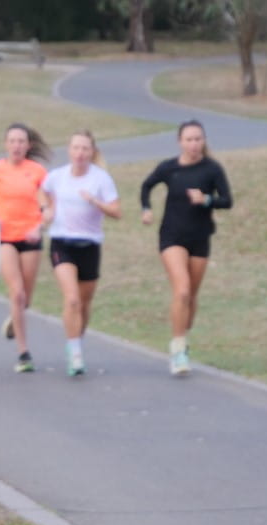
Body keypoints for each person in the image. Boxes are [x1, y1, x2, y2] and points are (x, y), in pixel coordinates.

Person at [140, 120, 233, 376]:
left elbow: (227, 201)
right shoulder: (169, 168)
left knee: (191, 296)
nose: (193, 144)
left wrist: (206, 200)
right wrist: (146, 209)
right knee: (181, 291)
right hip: (171, 237)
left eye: (198, 139)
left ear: (203, 141)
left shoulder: (212, 169)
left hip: (200, 238)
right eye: (189, 139)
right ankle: (178, 350)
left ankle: (183, 336)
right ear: (180, 142)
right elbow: (147, 185)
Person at [42, 130, 121, 377]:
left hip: (89, 245)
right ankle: (75, 353)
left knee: (84, 304)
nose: (80, 153)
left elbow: (117, 211)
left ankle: (76, 342)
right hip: (61, 243)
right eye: (76, 148)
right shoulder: (57, 177)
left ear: (92, 152)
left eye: (85, 149)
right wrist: (46, 208)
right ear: (69, 150)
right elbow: (42, 190)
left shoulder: (101, 179)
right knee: (72, 299)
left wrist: (96, 203)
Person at [0, 123, 50, 373]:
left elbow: (47, 205)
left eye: (21, 141)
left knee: (26, 299)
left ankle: (15, 317)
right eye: (12, 141)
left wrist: (39, 226)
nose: (17, 146)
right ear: (5, 144)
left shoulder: (37, 171)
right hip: (5, 238)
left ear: (28, 146)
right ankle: (23, 353)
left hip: (30, 238)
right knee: (17, 293)